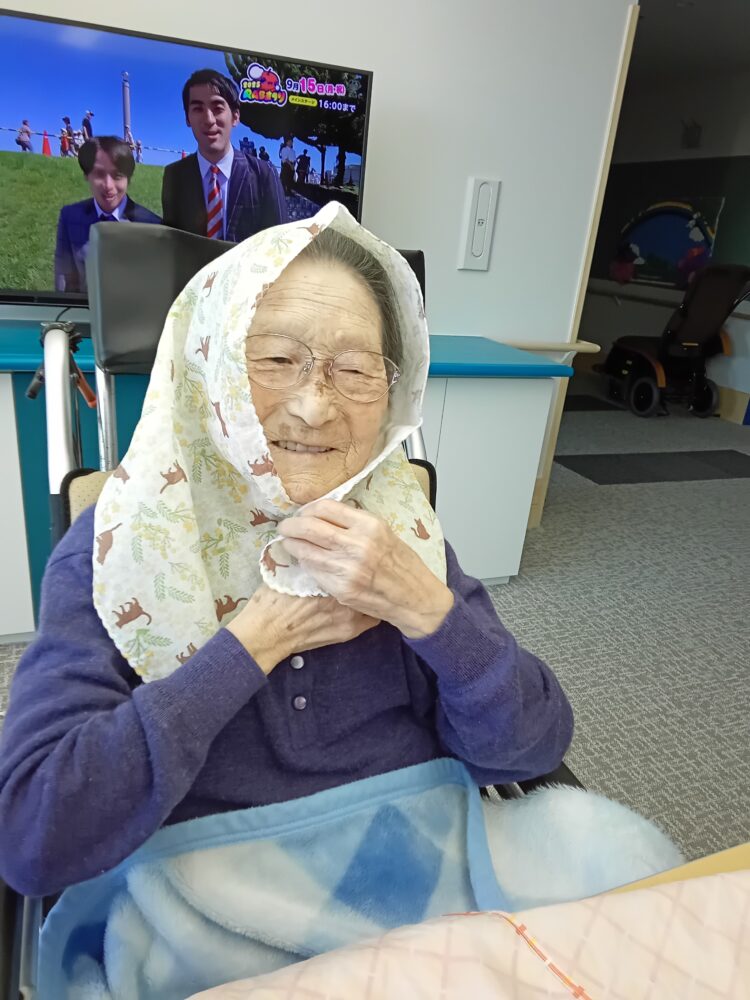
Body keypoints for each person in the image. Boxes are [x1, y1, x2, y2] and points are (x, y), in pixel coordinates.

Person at [0, 207, 680, 995]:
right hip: (208, 894)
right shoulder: (121, 551)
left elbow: (530, 749)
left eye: (356, 370)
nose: (316, 407)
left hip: (420, 857)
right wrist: (251, 644)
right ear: (212, 368)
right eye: (276, 359)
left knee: (625, 866)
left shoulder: (398, 531)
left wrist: (429, 613)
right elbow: (35, 836)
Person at [161, 68, 288, 242]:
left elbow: (280, 245)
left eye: (217, 108)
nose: (209, 119)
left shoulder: (264, 174)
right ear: (187, 119)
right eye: (197, 109)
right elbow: (172, 243)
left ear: (235, 117)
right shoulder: (174, 175)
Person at [53, 135, 161, 294]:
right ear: (86, 175)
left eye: (117, 176)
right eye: (99, 174)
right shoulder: (70, 217)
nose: (108, 186)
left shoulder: (153, 226)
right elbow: (63, 280)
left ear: (128, 178)